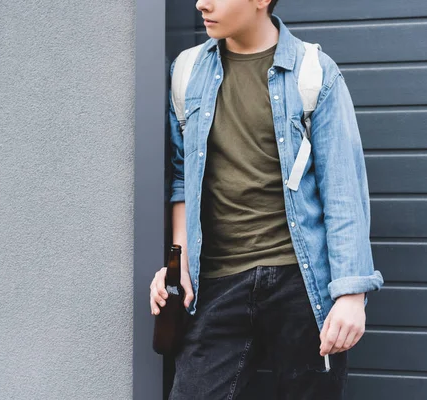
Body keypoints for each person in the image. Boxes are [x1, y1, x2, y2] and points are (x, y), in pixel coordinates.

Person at [149, 0, 385, 398]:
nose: (200, 3)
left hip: (301, 284)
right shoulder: (187, 73)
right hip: (217, 282)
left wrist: (351, 294)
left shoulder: (314, 73)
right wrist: (178, 265)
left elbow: (343, 192)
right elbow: (183, 184)